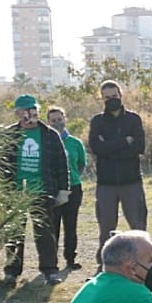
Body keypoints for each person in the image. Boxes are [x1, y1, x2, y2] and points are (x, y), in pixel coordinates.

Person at [2, 95, 70, 286]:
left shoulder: (49, 135)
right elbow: (0, 164)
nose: (29, 115)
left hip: (42, 190)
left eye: (33, 110)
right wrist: (2, 189)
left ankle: (50, 271)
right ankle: (11, 272)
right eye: (24, 111)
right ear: (17, 113)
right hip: (15, 192)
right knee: (14, 234)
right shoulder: (9, 135)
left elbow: (61, 165)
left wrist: (63, 190)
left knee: (45, 233)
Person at [85, 80, 148, 256]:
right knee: (106, 227)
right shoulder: (97, 121)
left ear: (120, 95)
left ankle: (143, 259)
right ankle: (104, 265)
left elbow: (139, 147)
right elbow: (96, 148)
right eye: (107, 97)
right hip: (106, 183)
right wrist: (124, 142)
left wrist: (110, 147)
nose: (111, 99)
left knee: (138, 225)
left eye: (114, 96)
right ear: (102, 99)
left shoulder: (133, 119)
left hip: (131, 180)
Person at [47, 106, 87, 271]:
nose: (57, 123)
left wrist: (72, 178)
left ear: (65, 119)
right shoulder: (47, 142)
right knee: (52, 226)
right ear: (48, 123)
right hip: (52, 189)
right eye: (53, 121)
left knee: (71, 226)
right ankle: (51, 262)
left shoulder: (75, 143)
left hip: (73, 188)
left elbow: (81, 164)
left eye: (60, 119)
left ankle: (70, 258)